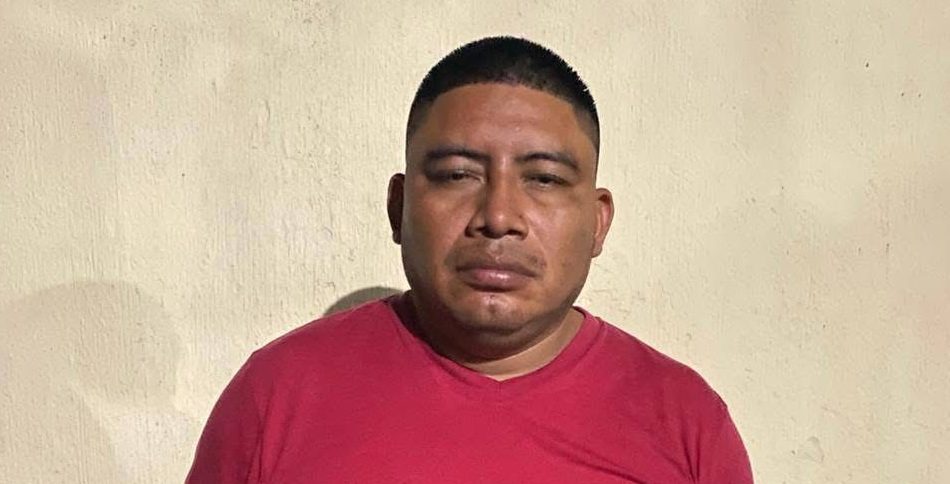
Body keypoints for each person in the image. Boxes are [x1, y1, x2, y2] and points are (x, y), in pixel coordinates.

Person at [186, 36, 753, 483]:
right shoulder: (277, 397)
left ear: (598, 222)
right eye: (458, 175)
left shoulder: (685, 423)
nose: (498, 216)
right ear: (399, 207)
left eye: (544, 179)